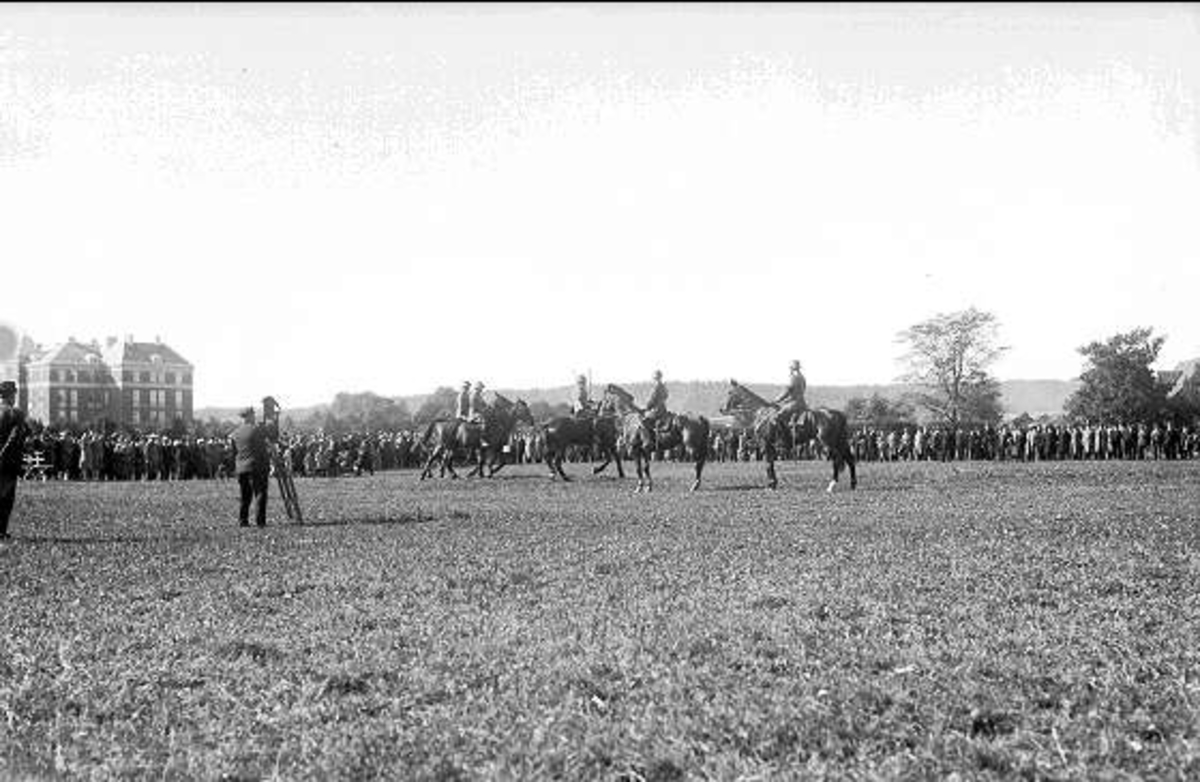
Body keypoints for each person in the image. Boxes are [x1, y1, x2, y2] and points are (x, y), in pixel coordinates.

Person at [231, 406, 269, 527]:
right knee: (260, 493)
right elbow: (262, 448)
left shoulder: (235, 433)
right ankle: (260, 521)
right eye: (253, 414)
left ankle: (243, 520)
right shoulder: (256, 429)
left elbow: (234, 452)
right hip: (255, 466)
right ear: (250, 416)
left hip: (241, 468)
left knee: (245, 496)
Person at [0, 381, 28, 541]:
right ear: (12, 395)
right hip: (7, 461)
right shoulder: (15, 413)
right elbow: (15, 437)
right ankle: (1, 531)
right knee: (5, 499)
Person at [773, 359, 808, 425]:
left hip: (794, 404)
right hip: (803, 403)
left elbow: (787, 392)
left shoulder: (793, 378)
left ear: (792, 369)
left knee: (776, 417)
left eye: (791, 368)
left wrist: (776, 400)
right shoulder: (803, 378)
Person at [643, 369, 670, 435]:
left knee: (643, 422)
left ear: (655, 378)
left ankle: (647, 440)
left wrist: (647, 407)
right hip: (663, 409)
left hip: (656, 410)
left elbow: (652, 399)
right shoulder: (664, 386)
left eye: (655, 378)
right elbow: (666, 396)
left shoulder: (656, 387)